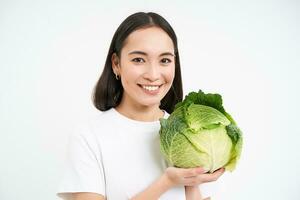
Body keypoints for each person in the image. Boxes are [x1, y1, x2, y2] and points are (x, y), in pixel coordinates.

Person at [56, 12, 224, 200]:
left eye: (165, 60)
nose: (153, 74)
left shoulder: (192, 134)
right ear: (116, 64)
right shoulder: (89, 136)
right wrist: (166, 182)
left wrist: (191, 183)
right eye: (138, 59)